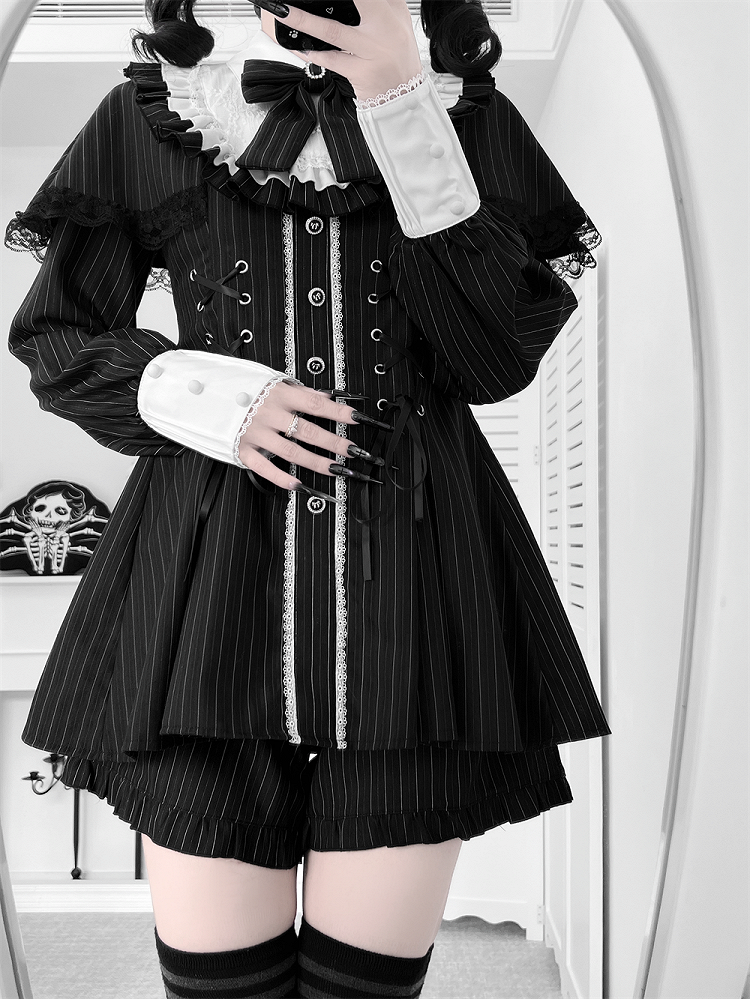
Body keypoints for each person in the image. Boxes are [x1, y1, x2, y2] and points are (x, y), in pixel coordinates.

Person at [5, 0, 611, 994]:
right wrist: (211, 396)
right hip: (200, 594)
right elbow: (56, 333)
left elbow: (495, 356)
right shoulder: (160, 111)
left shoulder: (467, 118)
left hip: (420, 595)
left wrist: (401, 103)